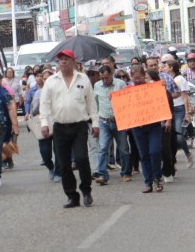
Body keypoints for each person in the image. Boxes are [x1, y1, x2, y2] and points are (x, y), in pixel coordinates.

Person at [39, 50, 99, 209]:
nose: (63, 62)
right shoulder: (51, 81)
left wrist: (95, 123)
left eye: (66, 59)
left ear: (73, 61)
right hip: (60, 127)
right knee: (64, 164)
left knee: (81, 159)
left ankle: (86, 190)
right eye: (61, 60)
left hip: (79, 125)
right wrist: (44, 123)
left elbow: (91, 103)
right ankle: (72, 195)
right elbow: (44, 104)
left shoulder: (83, 79)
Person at [129, 66, 171, 193]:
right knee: (144, 155)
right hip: (137, 127)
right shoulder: (128, 90)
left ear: (144, 75)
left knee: (155, 151)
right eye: (135, 78)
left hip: (153, 126)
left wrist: (163, 86)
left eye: (140, 78)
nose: (138, 80)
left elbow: (164, 97)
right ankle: (148, 182)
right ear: (131, 77)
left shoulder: (153, 87)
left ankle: (157, 178)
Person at [94, 65, 130, 185]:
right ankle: (103, 174)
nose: (104, 80)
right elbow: (95, 104)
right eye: (102, 78)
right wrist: (96, 120)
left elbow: (127, 102)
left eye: (106, 77)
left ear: (111, 74)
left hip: (119, 121)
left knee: (123, 148)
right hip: (104, 121)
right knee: (103, 148)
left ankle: (125, 172)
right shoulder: (97, 86)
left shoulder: (120, 84)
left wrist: (121, 115)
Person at [162, 57, 194, 169]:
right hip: (167, 110)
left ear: (171, 68)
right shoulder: (163, 79)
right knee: (170, 139)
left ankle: (188, 154)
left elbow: (185, 97)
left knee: (179, 137)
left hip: (179, 109)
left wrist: (187, 112)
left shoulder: (180, 79)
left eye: (165, 66)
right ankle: (172, 161)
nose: (163, 68)